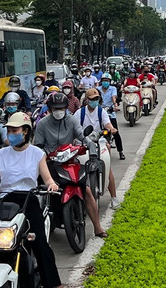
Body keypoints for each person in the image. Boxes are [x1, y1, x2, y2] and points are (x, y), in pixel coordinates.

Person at [0, 113, 62, 288]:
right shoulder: (1, 154)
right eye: (9, 130)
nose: (11, 133)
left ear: (25, 131)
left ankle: (54, 284)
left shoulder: (37, 153)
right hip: (5, 201)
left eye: (15, 130)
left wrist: (52, 185)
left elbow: (47, 179)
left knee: (39, 241)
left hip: (29, 200)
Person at [35, 93, 107, 238]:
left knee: (87, 191)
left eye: (61, 108)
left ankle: (98, 227)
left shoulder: (72, 120)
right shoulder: (42, 124)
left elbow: (82, 136)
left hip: (70, 162)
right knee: (40, 193)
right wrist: (42, 156)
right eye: (55, 108)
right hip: (50, 164)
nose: (58, 111)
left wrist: (92, 149)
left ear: (66, 108)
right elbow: (37, 146)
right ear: (49, 108)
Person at [77, 89, 119, 207]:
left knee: (107, 165)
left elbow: (107, 124)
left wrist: (111, 129)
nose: (94, 101)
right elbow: (75, 127)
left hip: (100, 142)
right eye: (92, 99)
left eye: (96, 99)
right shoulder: (79, 113)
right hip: (83, 143)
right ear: (87, 100)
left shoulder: (102, 112)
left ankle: (114, 198)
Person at [97, 76, 125, 160]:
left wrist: (115, 105)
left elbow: (114, 98)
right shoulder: (97, 89)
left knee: (115, 132)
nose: (106, 82)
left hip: (110, 112)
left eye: (107, 81)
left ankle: (120, 151)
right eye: (104, 80)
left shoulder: (113, 88)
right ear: (101, 81)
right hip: (100, 112)